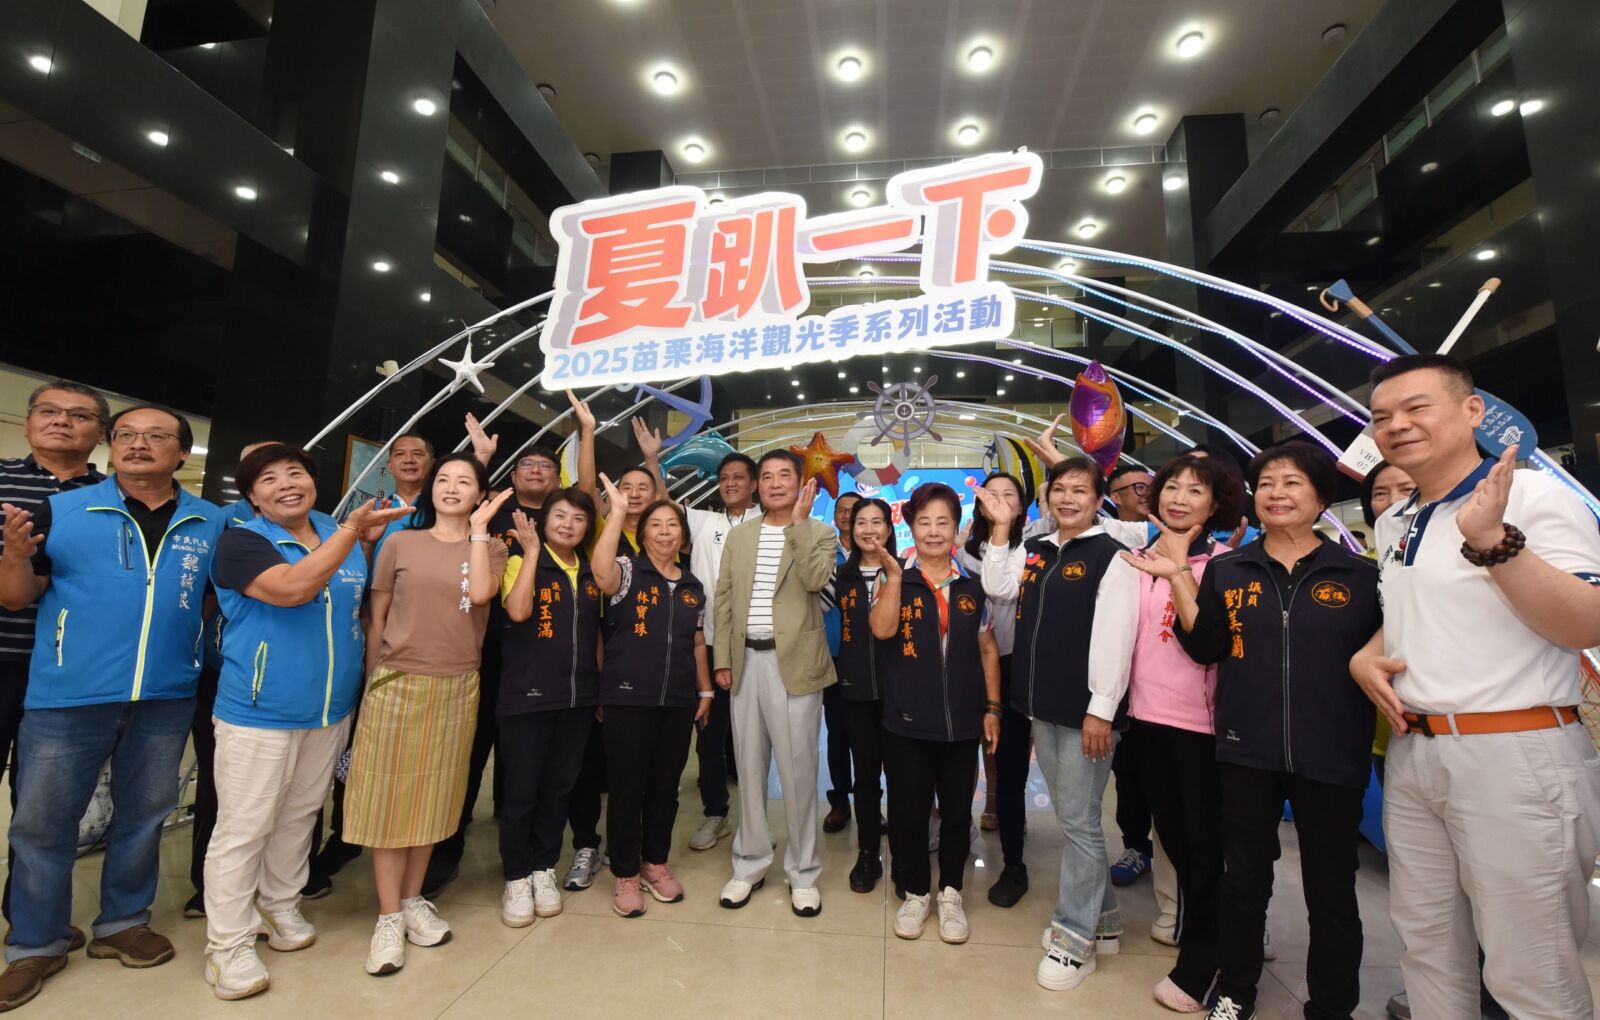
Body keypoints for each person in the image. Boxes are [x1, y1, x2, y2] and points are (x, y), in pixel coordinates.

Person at [1352, 354, 1600, 1020]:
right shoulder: (1397, 518)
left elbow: (1586, 622)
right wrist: (1365, 658)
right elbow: (1415, 611)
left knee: (1531, 970)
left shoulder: (1534, 497)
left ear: (1471, 411)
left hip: (1514, 752)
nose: (1397, 425)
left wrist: (1493, 541)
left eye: (1417, 407)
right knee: (1428, 948)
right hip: (1415, 752)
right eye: (1382, 416)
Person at [0, 406, 226, 1011]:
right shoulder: (64, 510)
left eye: (156, 436)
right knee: (43, 824)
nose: (137, 444)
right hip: (68, 693)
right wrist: (14, 556)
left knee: (144, 814)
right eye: (126, 434)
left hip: (166, 695)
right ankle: (35, 944)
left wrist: (177, 646)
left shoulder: (211, 521)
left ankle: (123, 922)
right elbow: (16, 597)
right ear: (110, 443)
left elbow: (208, 600)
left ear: (182, 452)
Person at [1166, 441, 1379, 1020]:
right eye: (1266, 484)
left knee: (1331, 891)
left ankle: (1332, 1005)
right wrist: (1180, 576)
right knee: (1244, 881)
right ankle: (1236, 991)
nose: (1276, 494)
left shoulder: (1361, 576)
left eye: (1291, 483)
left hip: (1331, 754)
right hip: (1246, 751)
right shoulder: (1229, 569)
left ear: (1321, 498)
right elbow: (1205, 647)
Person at [200, 445, 410, 999]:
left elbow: (352, 608)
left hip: (329, 708)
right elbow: (294, 589)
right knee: (244, 827)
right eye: (269, 479)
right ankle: (228, 944)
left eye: (295, 473)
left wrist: (357, 539)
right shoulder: (242, 541)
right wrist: (353, 534)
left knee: (299, 816)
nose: (286, 484)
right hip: (259, 709)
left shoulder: (337, 532)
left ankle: (279, 905)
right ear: (251, 496)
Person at [342, 454, 510, 976]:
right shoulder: (401, 543)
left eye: (464, 481)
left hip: (458, 683)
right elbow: (377, 617)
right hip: (398, 681)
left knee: (435, 796)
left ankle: (413, 898)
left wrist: (478, 532)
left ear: (480, 494)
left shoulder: (493, 547)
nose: (451, 488)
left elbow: (480, 594)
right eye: (443, 480)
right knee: (391, 801)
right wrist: (373, 678)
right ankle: (388, 915)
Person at [978, 457, 1139, 993]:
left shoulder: (1112, 556)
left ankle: (1074, 938)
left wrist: (1102, 709)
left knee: (1079, 822)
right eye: (1060, 490)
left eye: (1080, 490)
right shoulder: (1038, 549)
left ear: (1098, 499)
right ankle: (1106, 923)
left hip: (1086, 713)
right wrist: (1002, 527)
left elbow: (1118, 636)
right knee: (1078, 820)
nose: (1068, 499)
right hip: (1039, 705)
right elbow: (999, 586)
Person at [426, 396, 596, 899]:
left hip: (551, 669)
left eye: (546, 465)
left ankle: (536, 861)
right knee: (470, 759)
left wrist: (587, 433)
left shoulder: (572, 536)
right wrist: (478, 458)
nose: (537, 470)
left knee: (546, 774)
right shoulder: (492, 511)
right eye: (527, 464)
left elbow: (587, 493)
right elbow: (456, 506)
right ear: (512, 474)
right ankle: (448, 855)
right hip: (486, 658)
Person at [1116, 453, 1242, 1012]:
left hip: (1201, 727)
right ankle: (1209, 944)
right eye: (1172, 487)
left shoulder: (1225, 564)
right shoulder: (1138, 559)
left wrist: (1179, 572)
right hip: (1146, 721)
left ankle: (1204, 962)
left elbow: (1207, 644)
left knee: (1205, 850)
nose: (1180, 498)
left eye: (1196, 490)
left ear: (1215, 504)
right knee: (1174, 841)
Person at [872, 483, 1001, 944]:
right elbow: (882, 629)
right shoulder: (894, 577)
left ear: (956, 527)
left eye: (942, 522)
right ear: (910, 527)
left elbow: (988, 649)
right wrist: (892, 580)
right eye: (924, 522)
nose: (933, 531)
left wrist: (992, 708)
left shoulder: (973, 584)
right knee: (907, 811)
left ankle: (950, 892)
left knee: (956, 811)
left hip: (962, 722)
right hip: (906, 720)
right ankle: (915, 892)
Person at [0, 380, 106, 931]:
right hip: (3, 654)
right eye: (50, 411)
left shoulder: (111, 496)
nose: (62, 421)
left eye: (79, 415)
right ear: (28, 421)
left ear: (101, 434)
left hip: (68, 670)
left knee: (43, 805)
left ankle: (30, 921)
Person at [713, 450, 835, 917]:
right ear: (757, 486)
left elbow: (816, 580)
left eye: (785, 475)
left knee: (799, 772)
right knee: (748, 767)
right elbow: (724, 599)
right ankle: (749, 863)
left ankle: (803, 872)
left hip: (796, 665)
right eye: (767, 476)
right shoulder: (740, 536)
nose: (776, 483)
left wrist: (799, 527)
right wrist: (723, 658)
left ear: (801, 483)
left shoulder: (819, 532)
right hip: (746, 663)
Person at [314, 432, 440, 885]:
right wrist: (367, 542)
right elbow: (352, 571)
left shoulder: (440, 507)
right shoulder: (370, 508)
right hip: (372, 629)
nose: (408, 460)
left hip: (426, 637)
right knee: (360, 738)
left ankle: (419, 840)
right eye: (399, 454)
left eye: (418, 454)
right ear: (388, 465)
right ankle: (345, 833)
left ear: (432, 463)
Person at [591, 483, 711, 917]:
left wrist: (705, 690)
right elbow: (600, 573)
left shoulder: (693, 585)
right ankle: (624, 872)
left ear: (683, 535)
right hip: (627, 698)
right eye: (655, 525)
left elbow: (697, 642)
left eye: (672, 525)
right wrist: (617, 514)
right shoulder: (626, 571)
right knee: (627, 788)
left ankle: (654, 862)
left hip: (677, 700)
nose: (664, 532)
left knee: (666, 787)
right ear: (642, 534)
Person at [563, 418, 663, 893]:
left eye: (644, 487)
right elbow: (585, 488)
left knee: (639, 763)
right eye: (627, 487)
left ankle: (639, 850)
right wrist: (588, 432)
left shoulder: (663, 535)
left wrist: (653, 460)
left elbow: (666, 505)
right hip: (595, 644)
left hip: (642, 657)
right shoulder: (606, 526)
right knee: (589, 757)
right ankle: (588, 844)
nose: (636, 493)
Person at [495, 487, 602, 927]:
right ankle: (516, 875)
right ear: (544, 520)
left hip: (577, 699)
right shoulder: (520, 561)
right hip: (528, 698)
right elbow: (519, 611)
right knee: (523, 790)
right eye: (560, 515)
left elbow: (596, 635)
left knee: (559, 787)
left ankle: (543, 867)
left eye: (578, 518)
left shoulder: (590, 571)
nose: (568, 525)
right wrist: (533, 553)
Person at [957, 473, 1032, 908]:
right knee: (971, 745)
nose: (1000, 501)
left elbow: (1001, 589)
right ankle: (961, 824)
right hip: (974, 661)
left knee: (1010, 758)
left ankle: (1013, 860)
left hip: (1017, 662)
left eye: (1009, 495)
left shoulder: (1033, 548)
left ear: (1021, 506)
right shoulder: (966, 551)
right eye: (992, 494)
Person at [682, 452, 761, 853]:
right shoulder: (704, 522)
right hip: (710, 644)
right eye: (724, 477)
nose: (730, 483)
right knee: (710, 734)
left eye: (738, 477)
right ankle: (717, 813)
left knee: (755, 736)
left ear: (753, 484)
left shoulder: (768, 523)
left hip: (756, 644)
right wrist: (651, 459)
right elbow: (661, 503)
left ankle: (756, 821)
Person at [832, 497, 895, 893]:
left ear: (889, 527)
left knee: (905, 779)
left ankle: (905, 856)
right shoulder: (839, 578)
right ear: (850, 529)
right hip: (855, 693)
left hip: (901, 695)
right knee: (866, 778)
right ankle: (868, 854)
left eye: (877, 522)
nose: (869, 529)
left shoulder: (906, 574)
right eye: (861, 522)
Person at [821, 491, 861, 835]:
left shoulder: (876, 553)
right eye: (842, 510)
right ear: (834, 516)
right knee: (837, 733)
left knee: (868, 736)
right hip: (832, 654)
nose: (847, 515)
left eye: (854, 510)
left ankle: (869, 802)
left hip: (869, 658)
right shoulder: (824, 552)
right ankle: (839, 802)